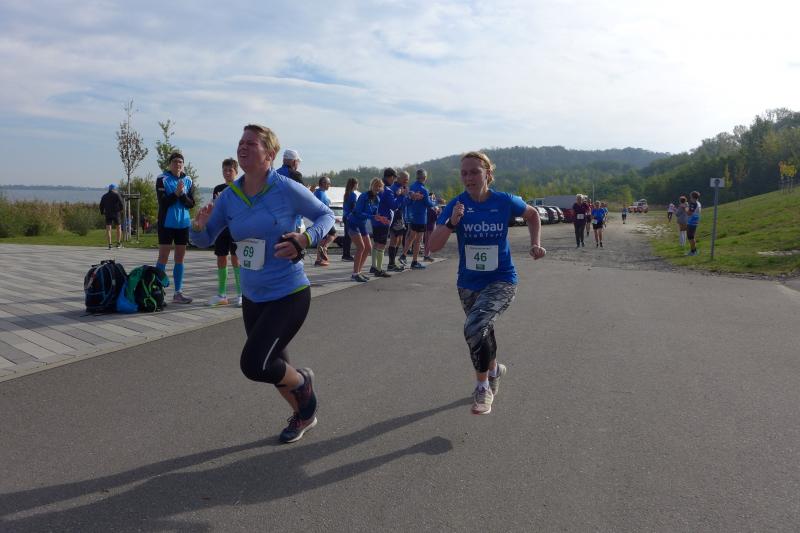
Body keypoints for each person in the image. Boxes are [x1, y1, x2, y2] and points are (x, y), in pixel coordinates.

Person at [190, 124, 334, 444]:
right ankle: (304, 415)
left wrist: (305, 239)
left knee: (256, 364)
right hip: (253, 296)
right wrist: (197, 226)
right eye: (240, 142)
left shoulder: (286, 188)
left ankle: (304, 384)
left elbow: (326, 216)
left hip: (289, 293)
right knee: (276, 365)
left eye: (251, 143)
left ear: (269, 154)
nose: (242, 147)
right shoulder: (230, 197)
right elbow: (204, 238)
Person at [427, 151, 545, 415]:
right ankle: (493, 370)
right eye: (464, 173)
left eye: (474, 172)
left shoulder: (504, 200)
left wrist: (535, 243)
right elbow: (432, 246)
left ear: (488, 174)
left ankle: (482, 387)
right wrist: (452, 223)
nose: (468, 177)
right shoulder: (456, 204)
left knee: (475, 326)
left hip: (501, 278)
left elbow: (533, 214)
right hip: (469, 282)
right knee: (482, 330)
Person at [156, 151, 196, 304]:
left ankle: (178, 293)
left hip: (183, 224)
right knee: (163, 257)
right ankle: (156, 291)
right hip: (166, 223)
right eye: (175, 162)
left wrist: (182, 195)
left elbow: (191, 203)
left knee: (180, 258)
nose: (177, 164)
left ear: (183, 165)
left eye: (180, 162)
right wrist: (176, 193)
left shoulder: (188, 180)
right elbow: (163, 202)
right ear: (170, 164)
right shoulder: (162, 179)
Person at [207, 158, 243, 307]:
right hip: (221, 229)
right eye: (225, 170)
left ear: (236, 172)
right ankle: (222, 295)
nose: (227, 173)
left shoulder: (241, 187)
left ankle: (241, 294)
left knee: (236, 259)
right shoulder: (218, 188)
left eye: (230, 170)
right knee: (221, 258)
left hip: (235, 228)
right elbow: (215, 210)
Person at [347, 178, 389, 281]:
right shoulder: (364, 196)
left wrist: (381, 218)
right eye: (376, 185)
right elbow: (358, 212)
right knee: (361, 247)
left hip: (362, 224)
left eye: (380, 186)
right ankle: (355, 274)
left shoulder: (377, 199)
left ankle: (358, 272)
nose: (378, 188)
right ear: (372, 186)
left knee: (368, 248)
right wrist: (373, 216)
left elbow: (374, 214)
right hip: (353, 223)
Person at [369, 168, 406, 277]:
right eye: (394, 178)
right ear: (390, 177)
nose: (394, 180)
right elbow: (394, 206)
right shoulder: (387, 190)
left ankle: (373, 266)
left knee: (376, 244)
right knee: (382, 245)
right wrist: (401, 195)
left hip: (375, 220)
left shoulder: (376, 188)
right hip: (384, 221)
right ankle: (379, 269)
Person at [402, 168, 435, 269]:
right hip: (421, 217)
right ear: (424, 178)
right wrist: (435, 201)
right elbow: (428, 204)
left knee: (411, 237)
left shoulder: (411, 186)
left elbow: (407, 201)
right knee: (418, 240)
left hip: (412, 216)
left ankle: (403, 255)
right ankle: (414, 261)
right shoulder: (424, 190)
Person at [387, 170, 411, 272]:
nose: (406, 181)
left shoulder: (403, 188)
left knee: (399, 240)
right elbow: (394, 204)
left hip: (400, 216)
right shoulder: (394, 188)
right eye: (405, 179)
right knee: (394, 239)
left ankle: (393, 263)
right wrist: (402, 196)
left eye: (407, 179)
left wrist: (409, 197)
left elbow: (404, 204)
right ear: (399, 178)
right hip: (395, 216)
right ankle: (391, 264)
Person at [276, 149, 305, 232]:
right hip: (291, 221)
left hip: (274, 219)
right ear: (294, 162)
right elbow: (304, 196)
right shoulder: (295, 175)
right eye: (298, 162)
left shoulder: (274, 174)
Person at [312, 176, 336, 267]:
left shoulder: (320, 192)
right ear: (323, 183)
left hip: (323, 218)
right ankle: (324, 249)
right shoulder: (320, 193)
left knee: (323, 238)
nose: (329, 185)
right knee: (332, 233)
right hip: (324, 218)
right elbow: (321, 207)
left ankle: (319, 259)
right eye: (328, 183)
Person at [99, 183, 124, 249]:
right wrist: (120, 210)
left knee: (108, 229)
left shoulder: (104, 196)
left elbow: (101, 205)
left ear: (109, 189)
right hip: (116, 213)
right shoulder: (117, 195)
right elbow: (121, 203)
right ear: (114, 189)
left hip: (108, 214)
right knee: (118, 228)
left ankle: (110, 244)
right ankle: (118, 244)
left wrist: (102, 212)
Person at [341, 178, 358, 262]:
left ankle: (345, 254)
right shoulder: (353, 195)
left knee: (346, 236)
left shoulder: (346, 194)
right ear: (354, 185)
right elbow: (354, 208)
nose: (357, 185)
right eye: (357, 184)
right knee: (349, 237)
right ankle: (346, 255)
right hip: (350, 217)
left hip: (345, 216)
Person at [423, 193, 440, 261]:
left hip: (429, 225)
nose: (434, 198)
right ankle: (426, 255)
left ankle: (427, 255)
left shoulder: (429, 208)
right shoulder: (431, 208)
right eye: (432, 197)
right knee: (428, 241)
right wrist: (437, 212)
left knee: (428, 241)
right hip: (430, 226)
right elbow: (435, 218)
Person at [686, 191, 701, 256]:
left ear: (692, 196)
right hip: (695, 221)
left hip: (691, 221)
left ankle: (693, 251)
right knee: (691, 237)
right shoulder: (698, 203)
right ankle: (694, 250)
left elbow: (689, 213)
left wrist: (685, 208)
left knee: (690, 237)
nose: (690, 198)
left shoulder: (693, 203)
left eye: (690, 196)